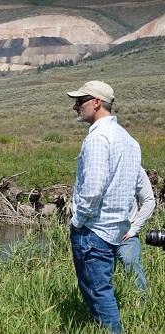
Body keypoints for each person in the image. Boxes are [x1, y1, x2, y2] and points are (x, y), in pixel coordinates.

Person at [67, 81, 142, 334]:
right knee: (101, 289)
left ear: (96, 102)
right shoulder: (129, 140)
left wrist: (78, 220)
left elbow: (94, 188)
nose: (75, 107)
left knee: (98, 291)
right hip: (115, 229)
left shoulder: (98, 138)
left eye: (80, 101)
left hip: (93, 230)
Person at [116, 168, 155, 294]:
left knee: (130, 261)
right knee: (100, 271)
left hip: (126, 232)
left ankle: (141, 304)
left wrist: (134, 228)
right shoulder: (97, 164)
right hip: (99, 232)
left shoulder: (135, 167)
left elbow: (149, 200)